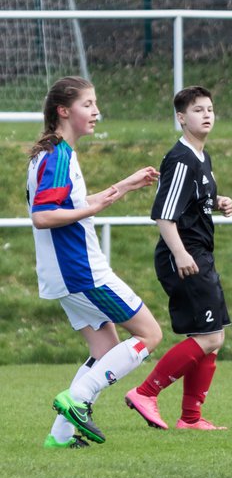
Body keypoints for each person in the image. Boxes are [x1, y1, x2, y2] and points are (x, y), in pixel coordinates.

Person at [27, 76, 163, 448]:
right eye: (88, 104)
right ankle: (77, 399)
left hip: (65, 272)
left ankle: (61, 435)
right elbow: (43, 215)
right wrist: (97, 205)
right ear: (63, 110)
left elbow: (72, 206)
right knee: (150, 334)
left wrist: (125, 186)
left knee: (104, 351)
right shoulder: (56, 156)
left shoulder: (56, 153)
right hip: (81, 270)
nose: (96, 112)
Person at [124, 86, 232, 431]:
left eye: (210, 109)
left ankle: (191, 418)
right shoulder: (181, 158)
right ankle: (145, 392)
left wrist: (219, 202)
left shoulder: (202, 157)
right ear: (181, 118)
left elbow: (195, 198)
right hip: (184, 254)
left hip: (199, 253)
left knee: (213, 336)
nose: (206, 114)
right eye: (198, 110)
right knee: (210, 337)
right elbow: (163, 215)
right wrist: (181, 252)